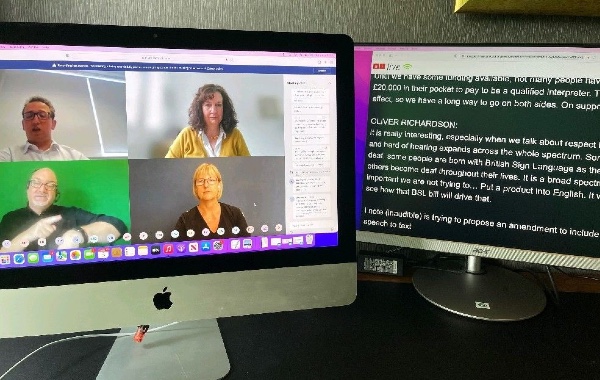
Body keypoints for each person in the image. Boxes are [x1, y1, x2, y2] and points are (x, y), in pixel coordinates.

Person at [0, 168, 127, 253]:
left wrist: (77, 234)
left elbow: (117, 226)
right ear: (27, 189)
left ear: (56, 194)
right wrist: (29, 234)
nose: (42, 189)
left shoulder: (71, 213)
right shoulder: (10, 218)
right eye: (36, 183)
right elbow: (2, 256)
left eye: (50, 185)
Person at [165, 84, 251, 158]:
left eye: (218, 105)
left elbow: (250, 170)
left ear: (224, 108)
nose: (214, 110)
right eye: (208, 105)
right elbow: (166, 167)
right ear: (200, 109)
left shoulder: (235, 135)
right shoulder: (186, 135)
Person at [173, 163, 250, 241]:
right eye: (200, 181)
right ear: (195, 188)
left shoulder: (235, 214)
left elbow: (248, 246)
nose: (206, 185)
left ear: (219, 185)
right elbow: (176, 251)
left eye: (211, 180)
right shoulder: (185, 219)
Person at [0, 96, 88, 162]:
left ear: (53, 124)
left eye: (42, 115)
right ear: (23, 124)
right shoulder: (8, 156)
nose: (35, 121)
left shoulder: (75, 157)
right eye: (29, 116)